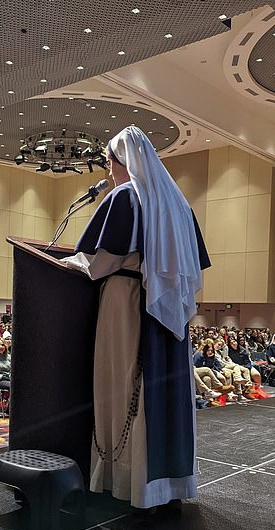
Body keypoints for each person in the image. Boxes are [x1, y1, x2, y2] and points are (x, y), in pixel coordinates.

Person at [65, 125, 210, 510]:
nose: (109, 171)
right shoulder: (178, 204)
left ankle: (127, 481)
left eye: (110, 162)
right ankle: (168, 485)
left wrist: (71, 262)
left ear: (120, 161)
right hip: (167, 314)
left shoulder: (126, 197)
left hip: (127, 303)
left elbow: (101, 262)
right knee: (159, 390)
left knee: (121, 382)